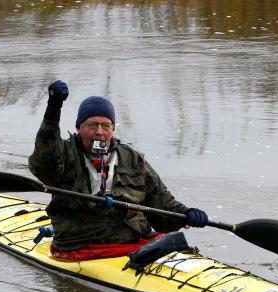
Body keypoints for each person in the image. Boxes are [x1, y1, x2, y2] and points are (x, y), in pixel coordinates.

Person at [28, 80, 209, 260]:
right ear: (79, 128)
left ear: (113, 129)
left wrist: (186, 214)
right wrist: (53, 110)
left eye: (105, 126)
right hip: (81, 247)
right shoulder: (64, 155)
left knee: (176, 241)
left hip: (136, 243)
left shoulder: (133, 159)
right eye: (92, 125)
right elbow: (44, 164)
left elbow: (162, 204)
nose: (99, 132)